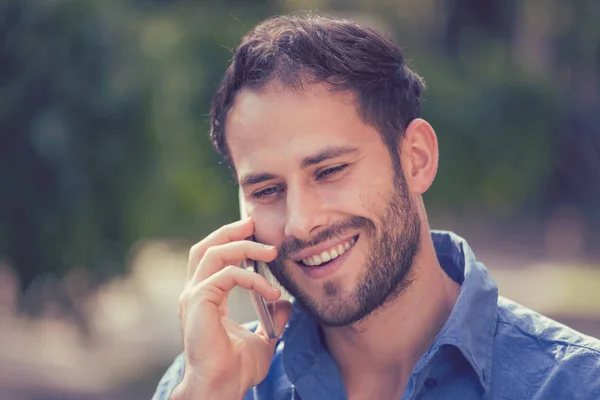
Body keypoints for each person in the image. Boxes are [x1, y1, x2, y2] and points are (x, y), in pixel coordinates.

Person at [152, 13, 600, 400]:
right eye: (267, 190)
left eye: (329, 171)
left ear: (416, 159)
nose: (302, 224)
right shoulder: (210, 382)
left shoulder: (576, 384)